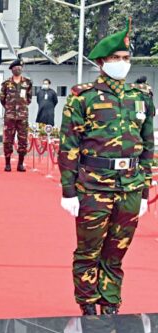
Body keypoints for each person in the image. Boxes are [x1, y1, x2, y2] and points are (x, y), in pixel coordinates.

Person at [58, 20, 154, 316]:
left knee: (116, 253)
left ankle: (110, 304)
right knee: (88, 251)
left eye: (126, 59)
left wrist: (145, 190)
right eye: (115, 59)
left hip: (130, 187)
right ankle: (87, 305)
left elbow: (148, 146)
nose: (121, 64)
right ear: (101, 62)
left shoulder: (141, 97)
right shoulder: (82, 96)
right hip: (94, 188)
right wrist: (68, 191)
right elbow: (69, 144)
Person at [0, 58, 33, 172]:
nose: (18, 69)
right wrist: (10, 108)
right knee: (8, 140)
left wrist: (21, 107)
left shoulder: (28, 82)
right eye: (16, 67)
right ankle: (7, 163)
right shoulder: (6, 83)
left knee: (23, 140)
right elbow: (2, 99)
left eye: (20, 67)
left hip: (22, 117)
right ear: (12, 69)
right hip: (10, 116)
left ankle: (20, 164)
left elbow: (29, 99)